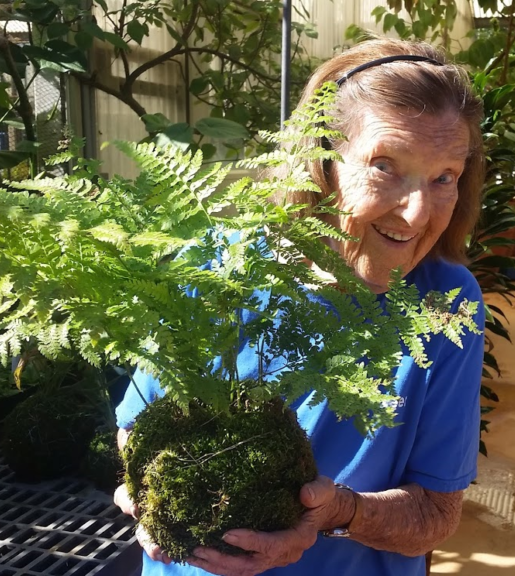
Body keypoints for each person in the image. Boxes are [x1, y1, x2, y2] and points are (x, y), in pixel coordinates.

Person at [113, 38, 486, 576]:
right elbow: (135, 427)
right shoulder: (216, 266)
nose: (417, 212)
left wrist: (339, 512)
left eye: (444, 176)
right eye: (385, 166)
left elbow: (435, 512)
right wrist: (142, 490)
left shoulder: (446, 302)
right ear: (323, 163)